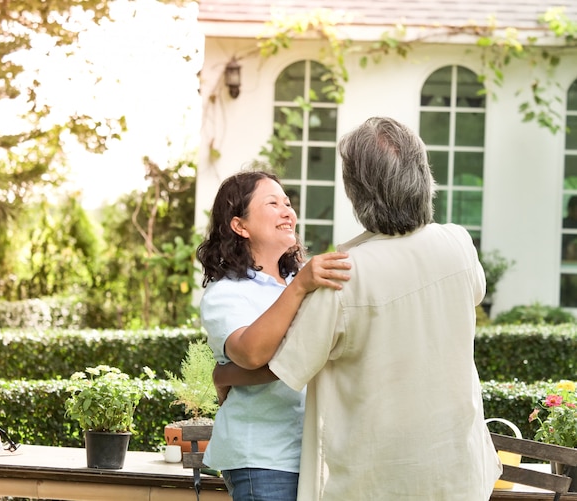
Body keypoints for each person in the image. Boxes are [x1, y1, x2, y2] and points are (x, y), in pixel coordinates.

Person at [217, 117, 502, 500]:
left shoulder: (341, 274)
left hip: (379, 481)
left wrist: (224, 376)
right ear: (424, 175)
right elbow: (469, 294)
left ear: (356, 193)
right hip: (461, 474)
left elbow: (284, 366)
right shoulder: (459, 246)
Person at [196, 168, 351, 501]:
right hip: (264, 460)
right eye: (273, 203)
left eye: (288, 203)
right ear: (240, 225)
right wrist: (300, 286)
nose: (288, 211)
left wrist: (226, 374)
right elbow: (250, 354)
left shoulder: (303, 281)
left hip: (318, 458)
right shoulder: (227, 293)